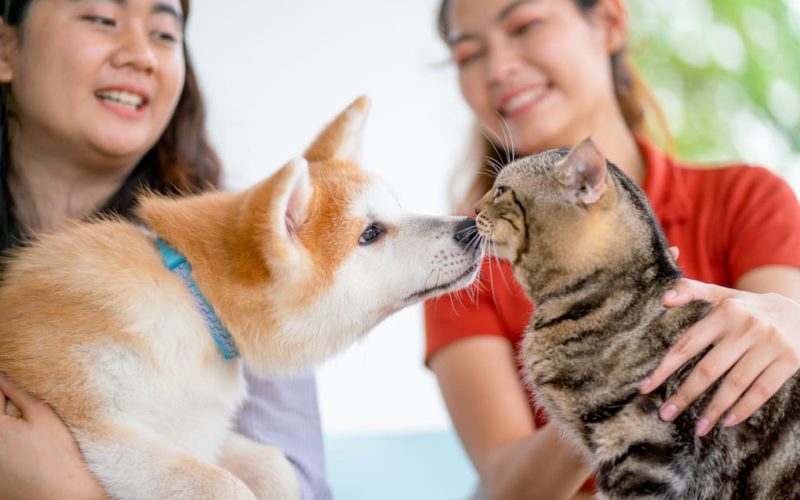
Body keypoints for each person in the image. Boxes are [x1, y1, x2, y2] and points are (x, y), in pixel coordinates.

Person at [424, 0, 800, 498]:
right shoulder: (465, 259)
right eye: (468, 54)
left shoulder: (747, 198)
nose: (498, 68)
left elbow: (775, 396)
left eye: (525, 25)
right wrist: (607, 370)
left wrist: (792, 321)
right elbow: (502, 487)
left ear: (610, 22)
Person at [0, 0, 331, 498]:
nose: (142, 56)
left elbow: (301, 486)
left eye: (163, 33)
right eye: (101, 19)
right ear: (6, 47)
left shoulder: (248, 246)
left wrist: (70, 489)